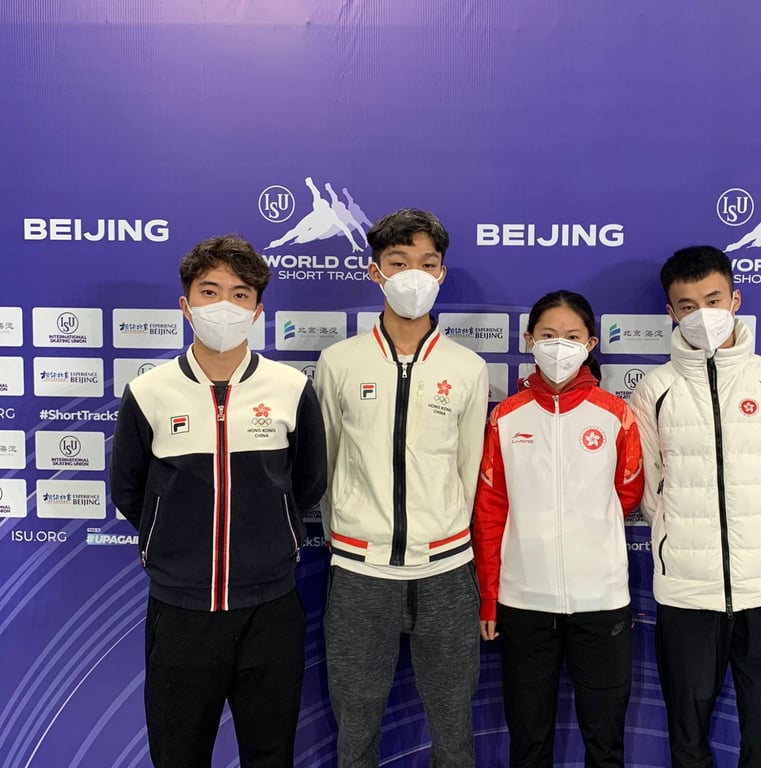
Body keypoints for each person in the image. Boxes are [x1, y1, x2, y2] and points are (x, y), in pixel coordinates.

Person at [110, 234, 328, 768]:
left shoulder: (289, 388)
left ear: (258, 310)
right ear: (186, 306)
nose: (224, 307)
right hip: (181, 612)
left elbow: (308, 481)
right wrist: (173, 545)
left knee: (270, 754)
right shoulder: (150, 392)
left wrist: (268, 534)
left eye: (239, 294)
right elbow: (130, 490)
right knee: (178, 755)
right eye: (209, 292)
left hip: (270, 609)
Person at [314, 208, 489, 768]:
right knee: (357, 732)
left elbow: (469, 467)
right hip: (361, 576)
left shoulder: (467, 367)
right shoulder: (339, 361)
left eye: (427, 263)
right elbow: (328, 465)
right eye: (399, 263)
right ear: (375, 272)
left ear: (441, 273)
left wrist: (444, 533)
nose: (413, 274)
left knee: (454, 733)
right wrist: (349, 533)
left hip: (446, 575)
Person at [630, 246, 761, 768]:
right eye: (686, 305)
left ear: (735, 298)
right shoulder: (656, 389)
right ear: (671, 312)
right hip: (687, 591)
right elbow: (649, 485)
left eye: (713, 299)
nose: (702, 314)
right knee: (688, 742)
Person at [473, 290, 643, 768]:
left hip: (602, 601)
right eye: (548, 336)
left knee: (605, 744)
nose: (559, 346)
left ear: (591, 343)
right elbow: (490, 511)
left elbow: (626, 494)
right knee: (529, 742)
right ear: (529, 340)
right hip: (523, 602)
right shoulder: (505, 418)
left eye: (571, 337)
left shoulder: (616, 415)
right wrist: (489, 597)